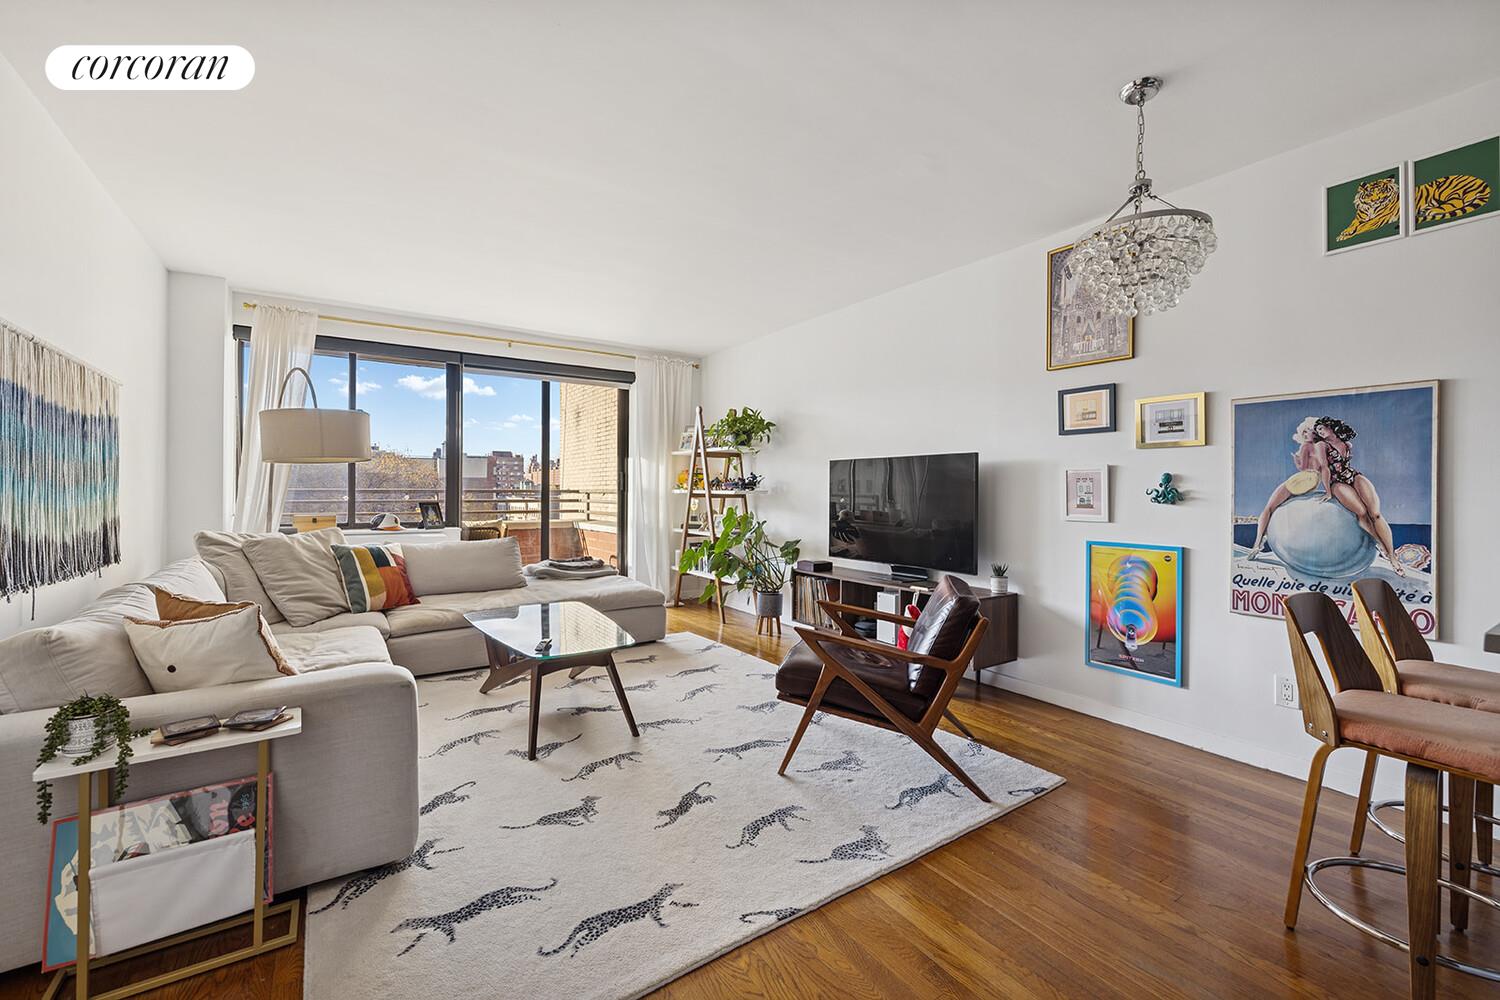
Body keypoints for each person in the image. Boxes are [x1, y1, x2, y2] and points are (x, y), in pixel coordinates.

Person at [1313, 416, 1404, 576]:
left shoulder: (1347, 444)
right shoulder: (1321, 445)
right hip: (1337, 482)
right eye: (1317, 430)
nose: (1319, 432)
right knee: (1362, 512)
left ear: (1330, 427)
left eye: (1321, 428)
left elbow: (1346, 464)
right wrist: (1328, 491)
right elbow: (1324, 468)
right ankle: (1380, 543)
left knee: (1375, 513)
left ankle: (1392, 555)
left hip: (1352, 476)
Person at [1246, 417, 1323, 560]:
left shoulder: (1306, 446)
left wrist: (1297, 460)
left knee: (1268, 508)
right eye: (1304, 432)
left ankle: (1257, 543)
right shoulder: (1322, 447)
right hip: (1315, 481)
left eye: (1308, 431)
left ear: (1314, 431)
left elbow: (1303, 468)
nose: (1306, 435)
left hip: (1304, 478)